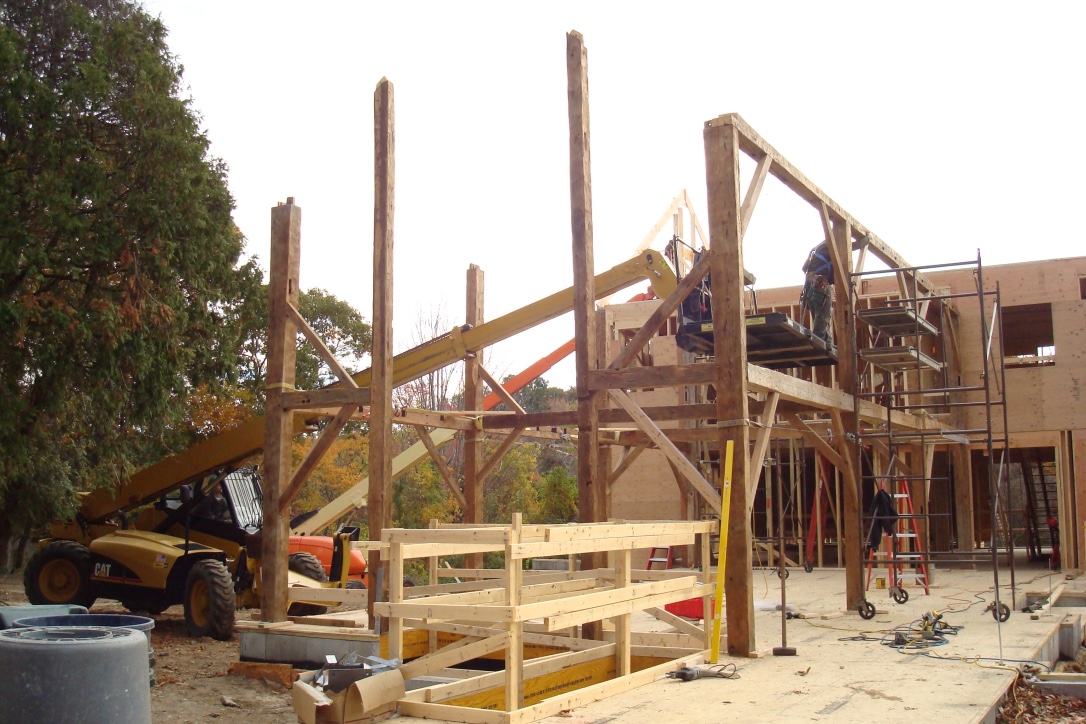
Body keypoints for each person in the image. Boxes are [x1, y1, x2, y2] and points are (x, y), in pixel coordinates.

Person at [800, 241, 834, 344]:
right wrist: (860, 244)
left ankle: (826, 341)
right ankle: (818, 342)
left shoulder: (817, 249)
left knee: (819, 317)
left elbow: (804, 268)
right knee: (823, 317)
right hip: (820, 284)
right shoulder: (834, 246)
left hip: (810, 286)